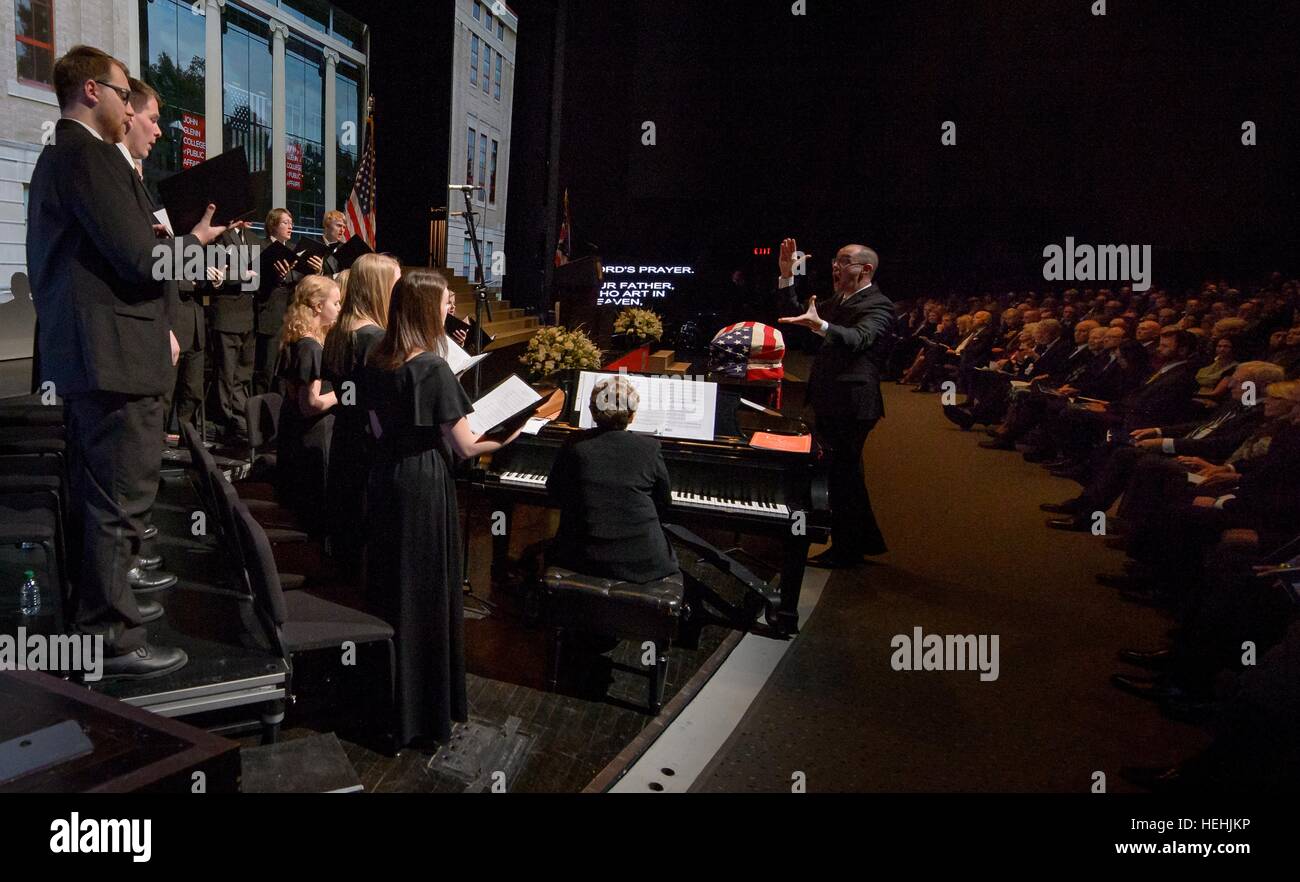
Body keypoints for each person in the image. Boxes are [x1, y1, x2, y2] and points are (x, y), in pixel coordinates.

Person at [27, 45, 225, 678]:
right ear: (93, 91)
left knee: (109, 500)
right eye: (121, 92)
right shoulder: (85, 156)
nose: (127, 103)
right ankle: (109, 638)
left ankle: (103, 621)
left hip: (100, 358)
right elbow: (140, 260)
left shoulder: (74, 158)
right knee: (119, 501)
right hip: (111, 361)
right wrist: (193, 251)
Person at [362, 269, 522, 747]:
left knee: (395, 589)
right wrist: (515, 430)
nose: (450, 310)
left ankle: (391, 704)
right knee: (427, 594)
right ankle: (426, 715)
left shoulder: (376, 359)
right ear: (426, 309)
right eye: (444, 304)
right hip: (423, 484)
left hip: (386, 480)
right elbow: (467, 447)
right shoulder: (430, 366)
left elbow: (373, 428)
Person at [778, 237, 896, 567]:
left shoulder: (878, 304)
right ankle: (859, 543)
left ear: (866, 268)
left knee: (841, 476)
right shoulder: (838, 300)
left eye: (844, 261)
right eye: (835, 260)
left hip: (854, 404)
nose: (835, 266)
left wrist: (824, 326)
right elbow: (796, 318)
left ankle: (848, 551)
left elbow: (859, 338)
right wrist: (787, 277)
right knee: (846, 476)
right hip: (833, 400)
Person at [546, 376, 678, 583]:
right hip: (642, 561)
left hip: (582, 556)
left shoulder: (574, 443)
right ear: (632, 415)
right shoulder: (650, 448)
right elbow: (664, 502)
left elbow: (555, 491)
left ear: (592, 411)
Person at [322, 253, 401, 573]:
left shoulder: (340, 330)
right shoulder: (374, 338)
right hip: (369, 447)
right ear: (380, 288)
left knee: (347, 532)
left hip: (345, 436)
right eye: (396, 284)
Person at [275, 275, 341, 534]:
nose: (338, 309)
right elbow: (309, 404)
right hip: (311, 438)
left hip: (296, 435)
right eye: (335, 303)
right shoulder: (310, 348)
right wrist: (341, 393)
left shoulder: (296, 338)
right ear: (317, 306)